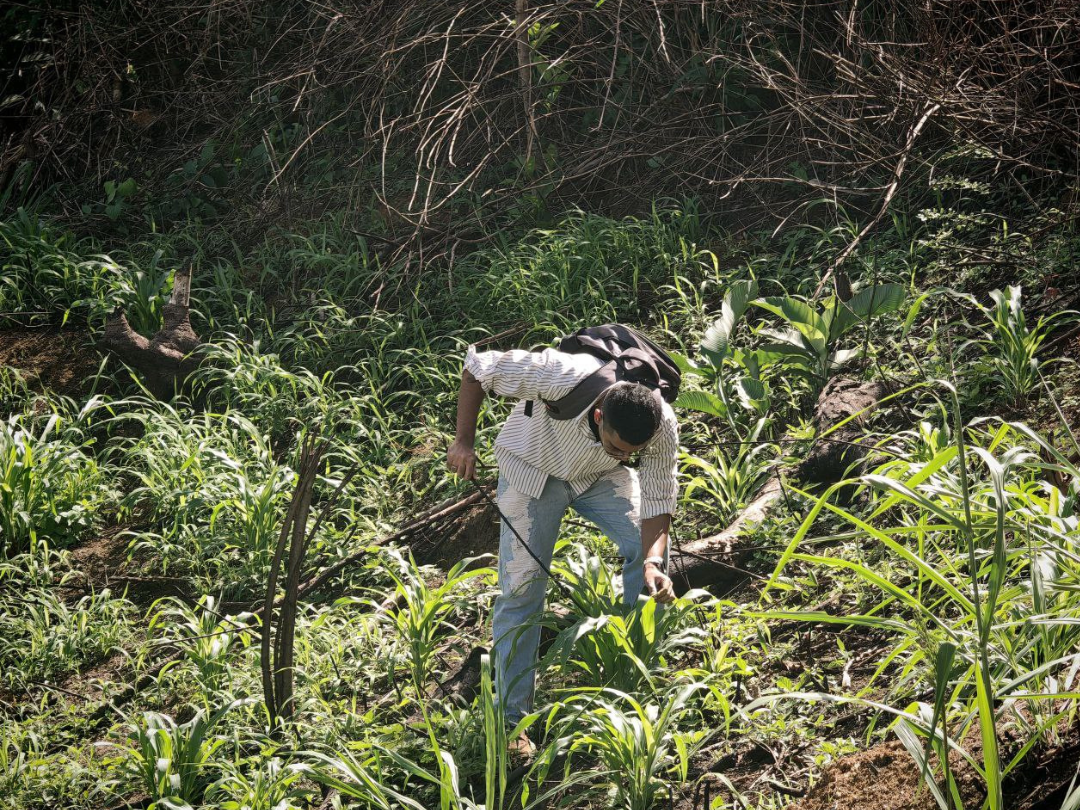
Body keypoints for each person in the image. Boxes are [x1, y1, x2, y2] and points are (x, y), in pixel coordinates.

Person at [446, 340, 679, 755]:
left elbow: (660, 499)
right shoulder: (559, 373)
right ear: (599, 415)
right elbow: (477, 368)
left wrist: (654, 561)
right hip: (531, 472)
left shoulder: (661, 424)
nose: (629, 456)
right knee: (522, 592)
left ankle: (632, 676)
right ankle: (513, 725)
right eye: (619, 446)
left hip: (598, 477)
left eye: (634, 454)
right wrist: (463, 441)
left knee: (641, 554)